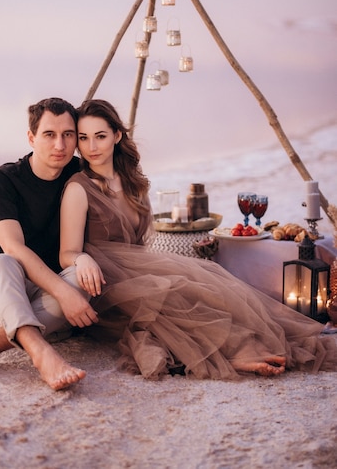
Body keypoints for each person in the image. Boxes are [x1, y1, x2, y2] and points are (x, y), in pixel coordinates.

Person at [59, 99, 337, 380]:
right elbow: (66, 253)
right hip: (103, 285)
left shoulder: (132, 183)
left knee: (205, 287)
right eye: (83, 138)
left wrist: (153, 272)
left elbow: (139, 246)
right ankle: (233, 354)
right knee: (176, 299)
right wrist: (81, 259)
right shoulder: (78, 189)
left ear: (117, 136)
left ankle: (248, 343)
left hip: (135, 271)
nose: (91, 147)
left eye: (100, 136)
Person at [0, 97, 99, 390]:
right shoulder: (3, 180)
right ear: (31, 137)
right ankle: (41, 353)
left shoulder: (78, 176)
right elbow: (14, 249)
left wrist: (81, 262)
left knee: (86, 280)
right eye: (49, 134)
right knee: (6, 262)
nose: (60, 145)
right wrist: (63, 293)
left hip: (38, 290)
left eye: (67, 135)